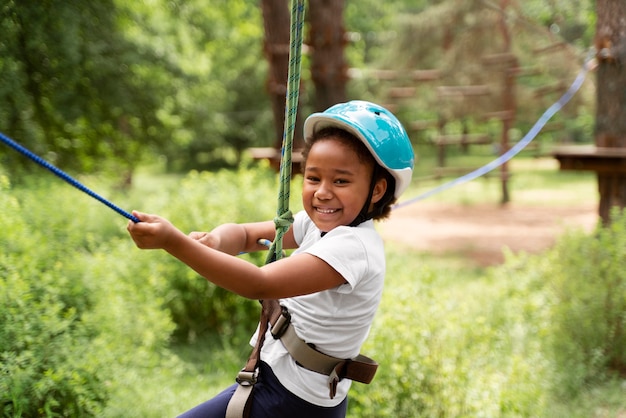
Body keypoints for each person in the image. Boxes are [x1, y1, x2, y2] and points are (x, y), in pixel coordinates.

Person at [127, 100, 414, 418]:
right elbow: (247, 235)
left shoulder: (353, 247)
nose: (322, 192)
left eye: (341, 181)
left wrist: (173, 242)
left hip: (295, 401)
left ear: (376, 190)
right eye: (313, 178)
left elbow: (258, 283)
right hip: (279, 382)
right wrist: (216, 240)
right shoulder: (319, 224)